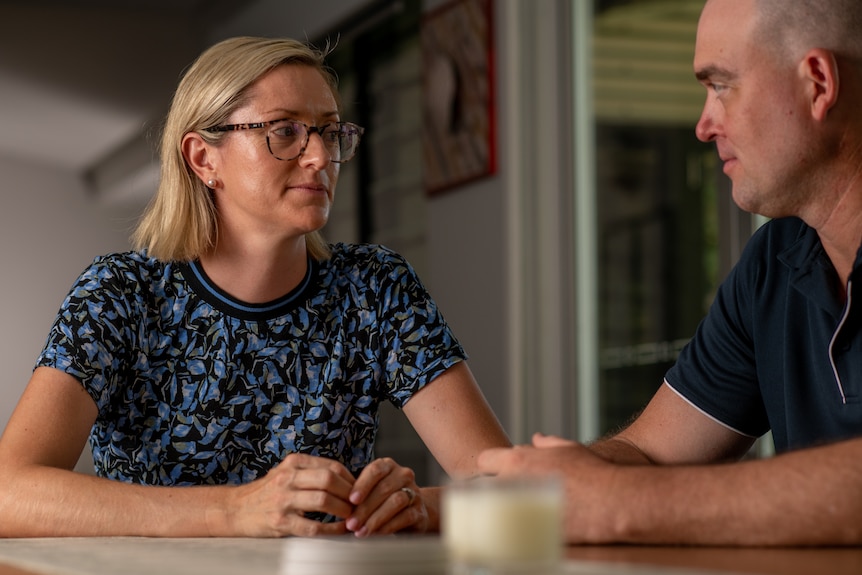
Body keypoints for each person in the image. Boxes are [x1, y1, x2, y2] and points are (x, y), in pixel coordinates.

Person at [0, 36, 509, 538]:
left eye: (330, 133)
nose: (319, 157)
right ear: (203, 159)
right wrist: (235, 511)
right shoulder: (119, 295)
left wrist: (418, 505)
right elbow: (9, 493)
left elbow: (507, 487)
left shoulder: (375, 288)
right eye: (285, 130)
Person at [480, 0, 862, 546]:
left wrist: (615, 502)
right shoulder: (774, 262)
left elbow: (626, 490)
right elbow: (647, 454)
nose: (704, 125)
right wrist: (424, 507)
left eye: (721, 85)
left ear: (818, 83)